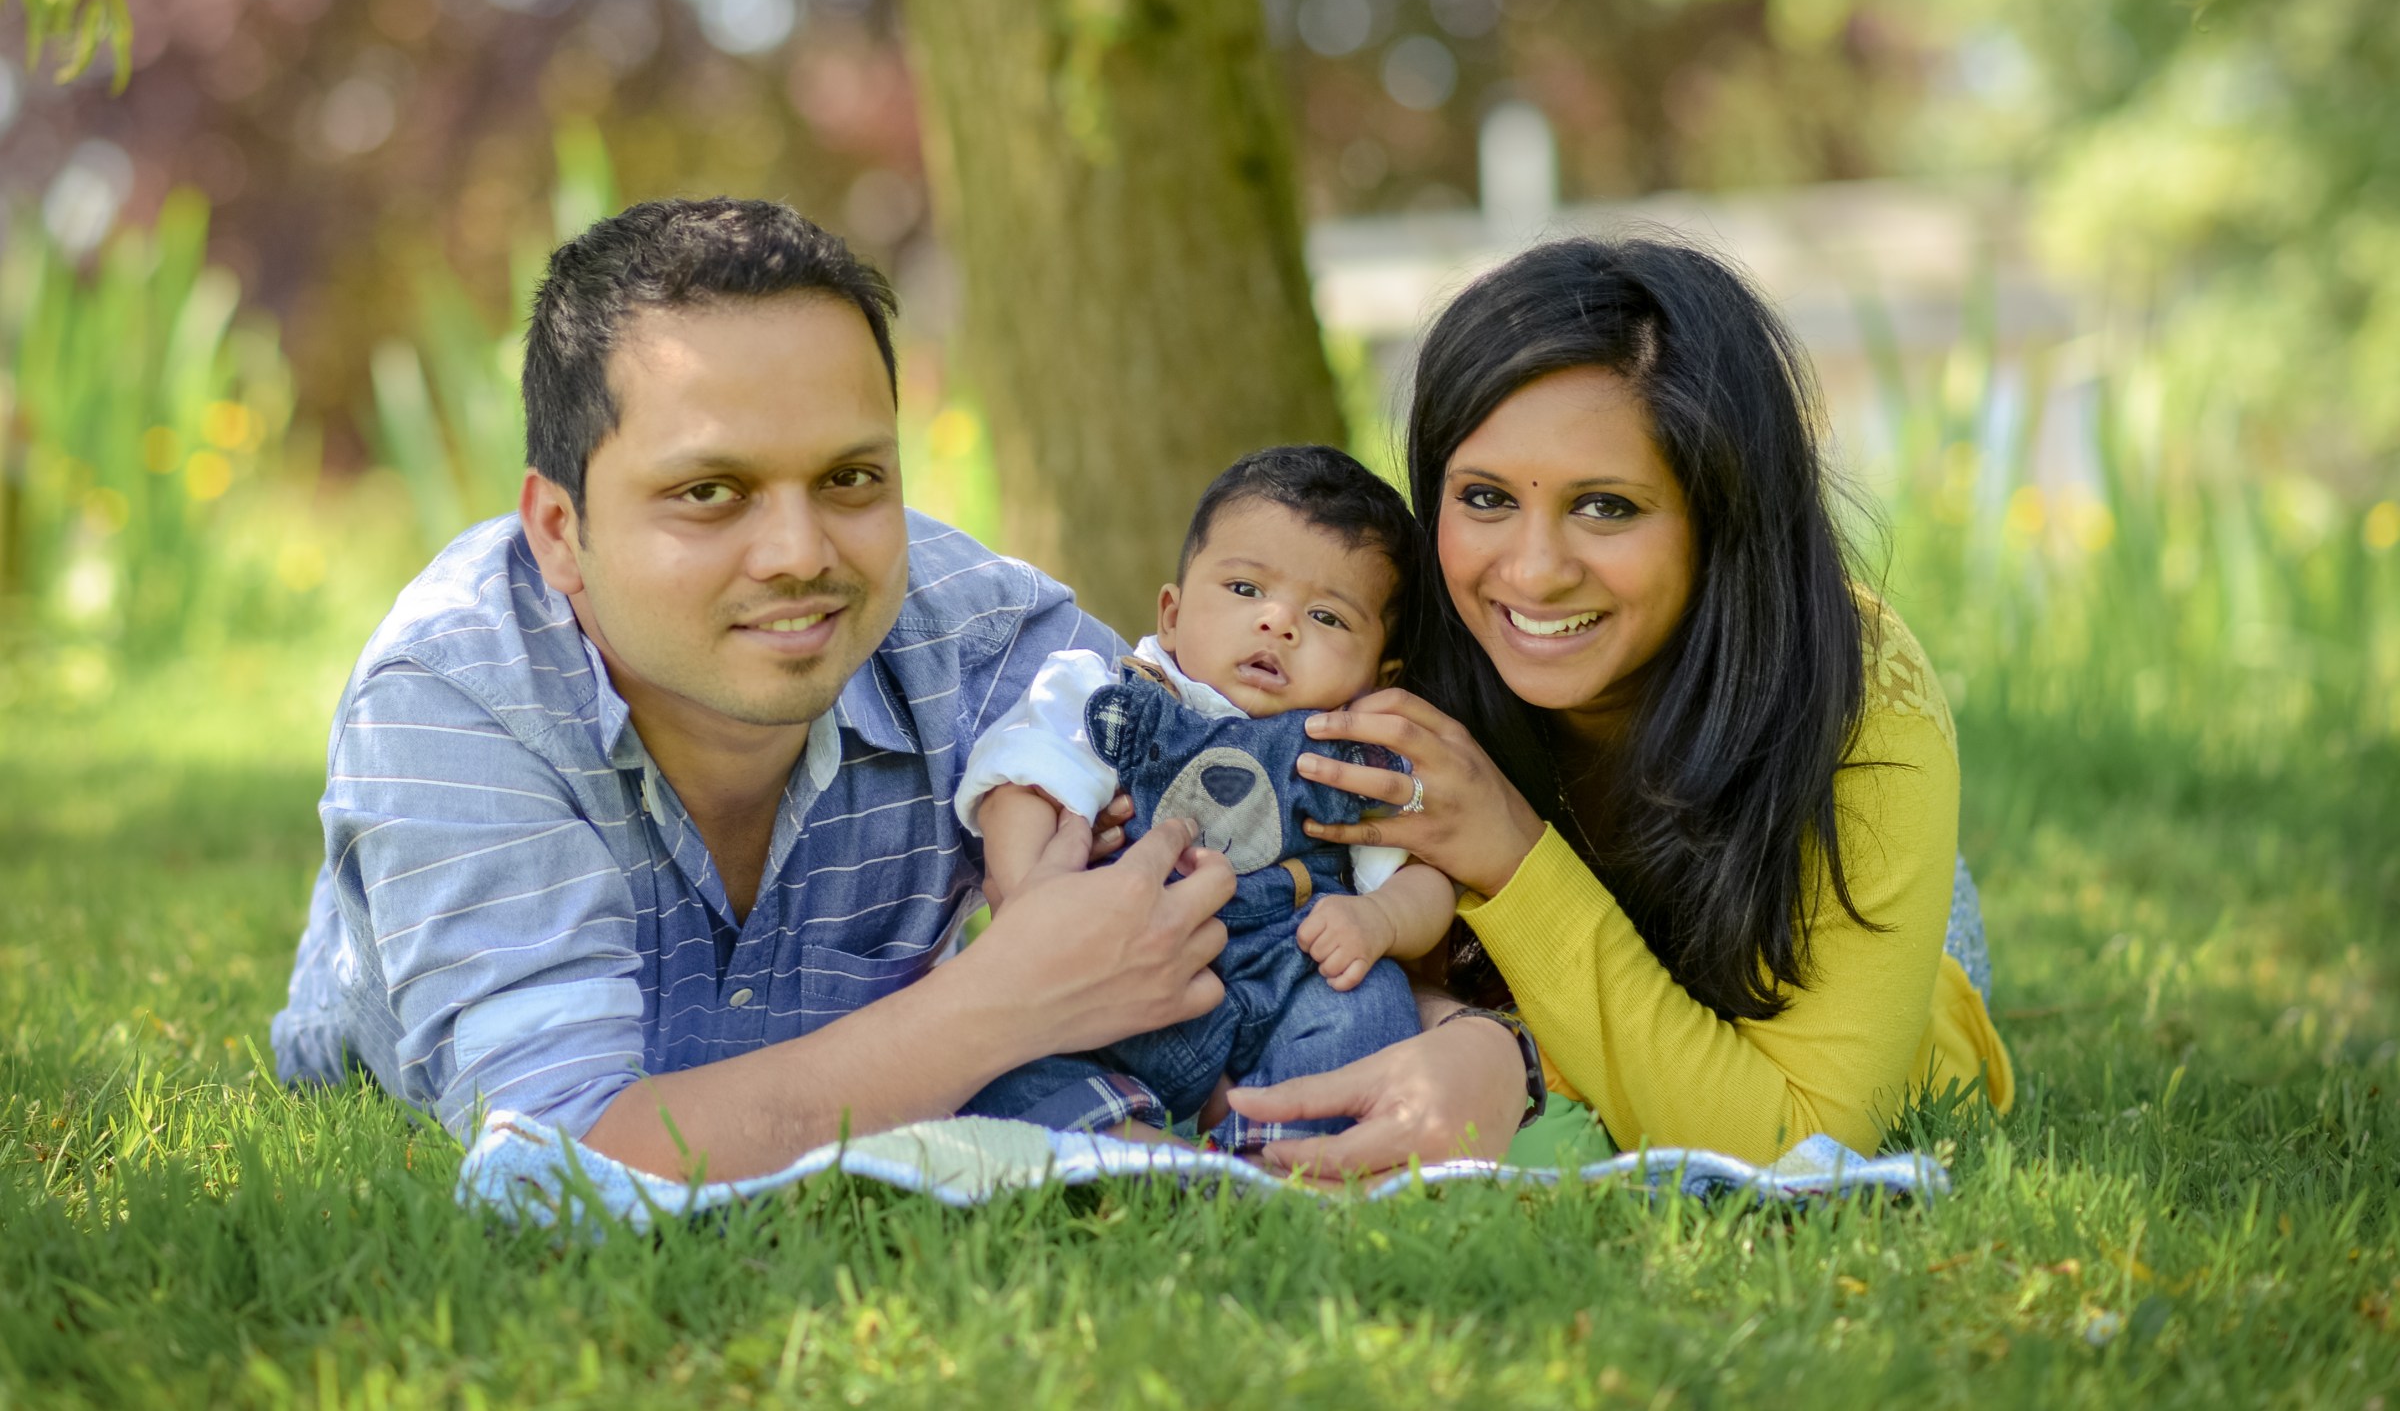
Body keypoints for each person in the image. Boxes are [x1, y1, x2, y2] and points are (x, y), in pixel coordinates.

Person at [268, 197, 1532, 1183]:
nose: (800, 552)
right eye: (709, 491)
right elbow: (572, 1166)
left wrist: (1479, 1048)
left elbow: (1279, 858)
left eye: (852, 479)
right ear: (558, 528)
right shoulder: (455, 698)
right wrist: (1001, 999)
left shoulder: (1001, 642)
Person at [1243, 238, 2015, 1169]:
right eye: (1485, 497)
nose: (1532, 572)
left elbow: (1801, 1139)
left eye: (1605, 507)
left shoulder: (1857, 697)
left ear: (1720, 512)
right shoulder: (1380, 645)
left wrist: (1513, 858)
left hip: (1826, 871)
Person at [952, 446, 1461, 1146]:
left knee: (1370, 1007)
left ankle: (1282, 1151)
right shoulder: (1109, 695)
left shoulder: (1357, 758)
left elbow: (1425, 882)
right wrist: (1027, 888)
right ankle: (1122, 1145)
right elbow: (1022, 778)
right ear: (1171, 613)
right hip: (1103, 983)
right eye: (1246, 590)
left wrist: (1380, 923)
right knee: (1008, 1060)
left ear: (1379, 673)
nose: (1279, 623)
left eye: (1328, 617)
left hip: (1286, 978)